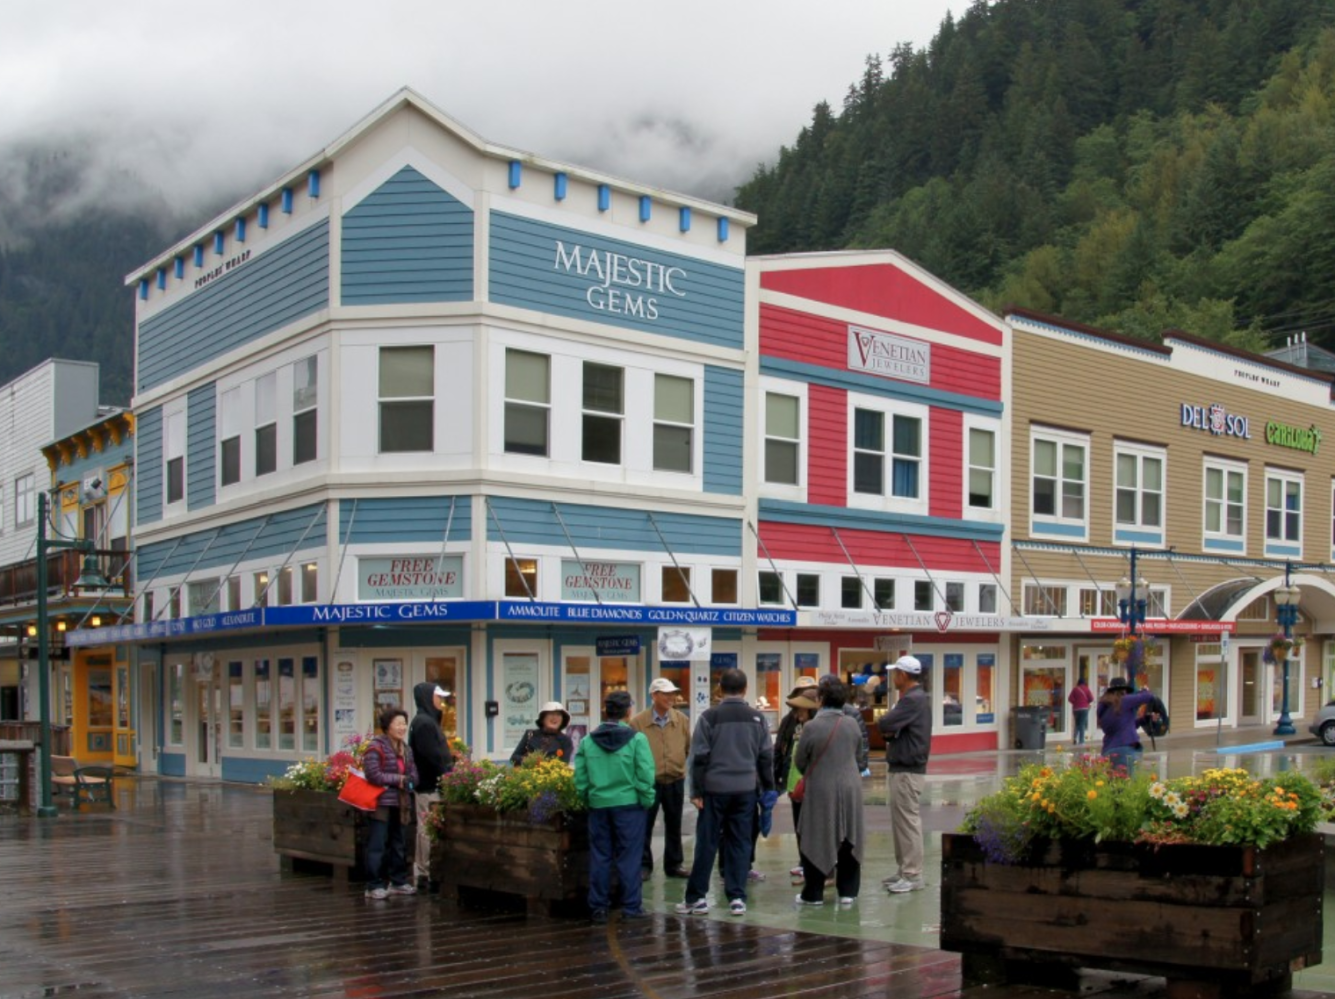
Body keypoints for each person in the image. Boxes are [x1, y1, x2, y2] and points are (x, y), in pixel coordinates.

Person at [675, 668, 774, 918]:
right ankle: (737, 897)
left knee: (707, 842)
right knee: (740, 842)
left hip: (714, 790)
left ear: (719, 689)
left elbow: (699, 756)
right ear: (745, 689)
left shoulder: (709, 717)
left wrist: (696, 790)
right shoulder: (758, 719)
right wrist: (768, 788)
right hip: (746, 790)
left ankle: (697, 898)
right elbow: (765, 757)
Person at [574, 690, 656, 924]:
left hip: (599, 805)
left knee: (600, 856)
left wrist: (587, 797)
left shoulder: (588, 741)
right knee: (630, 857)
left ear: (605, 710)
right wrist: (647, 800)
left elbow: (580, 778)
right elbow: (645, 775)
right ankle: (631, 906)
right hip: (629, 805)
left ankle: (598, 907)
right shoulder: (637, 739)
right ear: (628, 712)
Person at [794, 677, 865, 907]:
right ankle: (848, 892)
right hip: (850, 787)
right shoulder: (852, 724)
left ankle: (813, 893)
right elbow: (860, 756)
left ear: (820, 699)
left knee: (817, 834)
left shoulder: (811, 727)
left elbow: (800, 761)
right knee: (849, 838)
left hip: (821, 788)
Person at [629, 677, 692, 881]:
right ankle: (643, 865)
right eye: (666, 694)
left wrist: (678, 764)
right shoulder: (638, 722)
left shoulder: (681, 719)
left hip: (675, 779)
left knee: (674, 824)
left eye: (673, 693)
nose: (671, 697)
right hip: (649, 782)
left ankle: (674, 864)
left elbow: (687, 746)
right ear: (654, 696)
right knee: (644, 824)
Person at [878, 654, 931, 894]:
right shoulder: (914, 698)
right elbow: (891, 728)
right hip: (904, 768)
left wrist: (891, 732)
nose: (893, 677)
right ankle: (904, 870)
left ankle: (912, 874)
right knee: (901, 821)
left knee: (907, 822)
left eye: (895, 673)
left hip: (908, 770)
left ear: (903, 675)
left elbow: (885, 723)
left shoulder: (912, 699)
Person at [361, 706, 420, 899]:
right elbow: (373, 774)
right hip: (381, 803)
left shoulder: (406, 749)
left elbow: (412, 773)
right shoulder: (376, 746)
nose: (402, 727)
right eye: (398, 724)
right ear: (387, 726)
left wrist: (410, 781)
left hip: (401, 802)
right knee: (377, 843)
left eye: (404, 723)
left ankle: (398, 881)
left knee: (399, 842)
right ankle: (373, 885)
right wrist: (399, 780)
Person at [408, 682, 454, 891]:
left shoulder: (427, 721)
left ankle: (427, 870)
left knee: (429, 829)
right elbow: (431, 756)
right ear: (428, 698)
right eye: (438, 697)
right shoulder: (424, 723)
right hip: (429, 787)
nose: (441, 702)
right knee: (426, 829)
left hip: (433, 785)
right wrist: (446, 774)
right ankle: (424, 871)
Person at [774, 682, 819, 884]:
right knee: (801, 825)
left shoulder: (817, 727)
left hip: (812, 785)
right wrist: (778, 776)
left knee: (813, 828)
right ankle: (805, 863)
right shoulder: (790, 720)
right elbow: (781, 748)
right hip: (796, 783)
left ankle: (815, 869)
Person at [1098, 676, 1156, 773]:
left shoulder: (1104, 708)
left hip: (1108, 751)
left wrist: (1143, 720)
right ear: (1123, 691)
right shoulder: (1124, 701)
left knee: (1114, 784)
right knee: (1129, 784)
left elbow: (1124, 726)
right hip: (1126, 749)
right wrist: (1144, 690)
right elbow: (1148, 696)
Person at [510, 701, 574, 765]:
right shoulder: (530, 734)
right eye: (551, 714)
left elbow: (564, 765)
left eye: (558, 715)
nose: (555, 718)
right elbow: (514, 758)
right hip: (529, 774)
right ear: (543, 718)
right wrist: (528, 760)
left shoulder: (565, 740)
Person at [1068, 675, 1093, 746]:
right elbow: (1091, 698)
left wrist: (1075, 703)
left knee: (1077, 724)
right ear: (1084, 683)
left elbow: (1070, 698)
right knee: (1082, 724)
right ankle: (1081, 741)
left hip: (1076, 709)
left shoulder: (1075, 689)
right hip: (1084, 709)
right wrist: (1086, 702)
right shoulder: (1087, 689)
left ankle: (1075, 738)